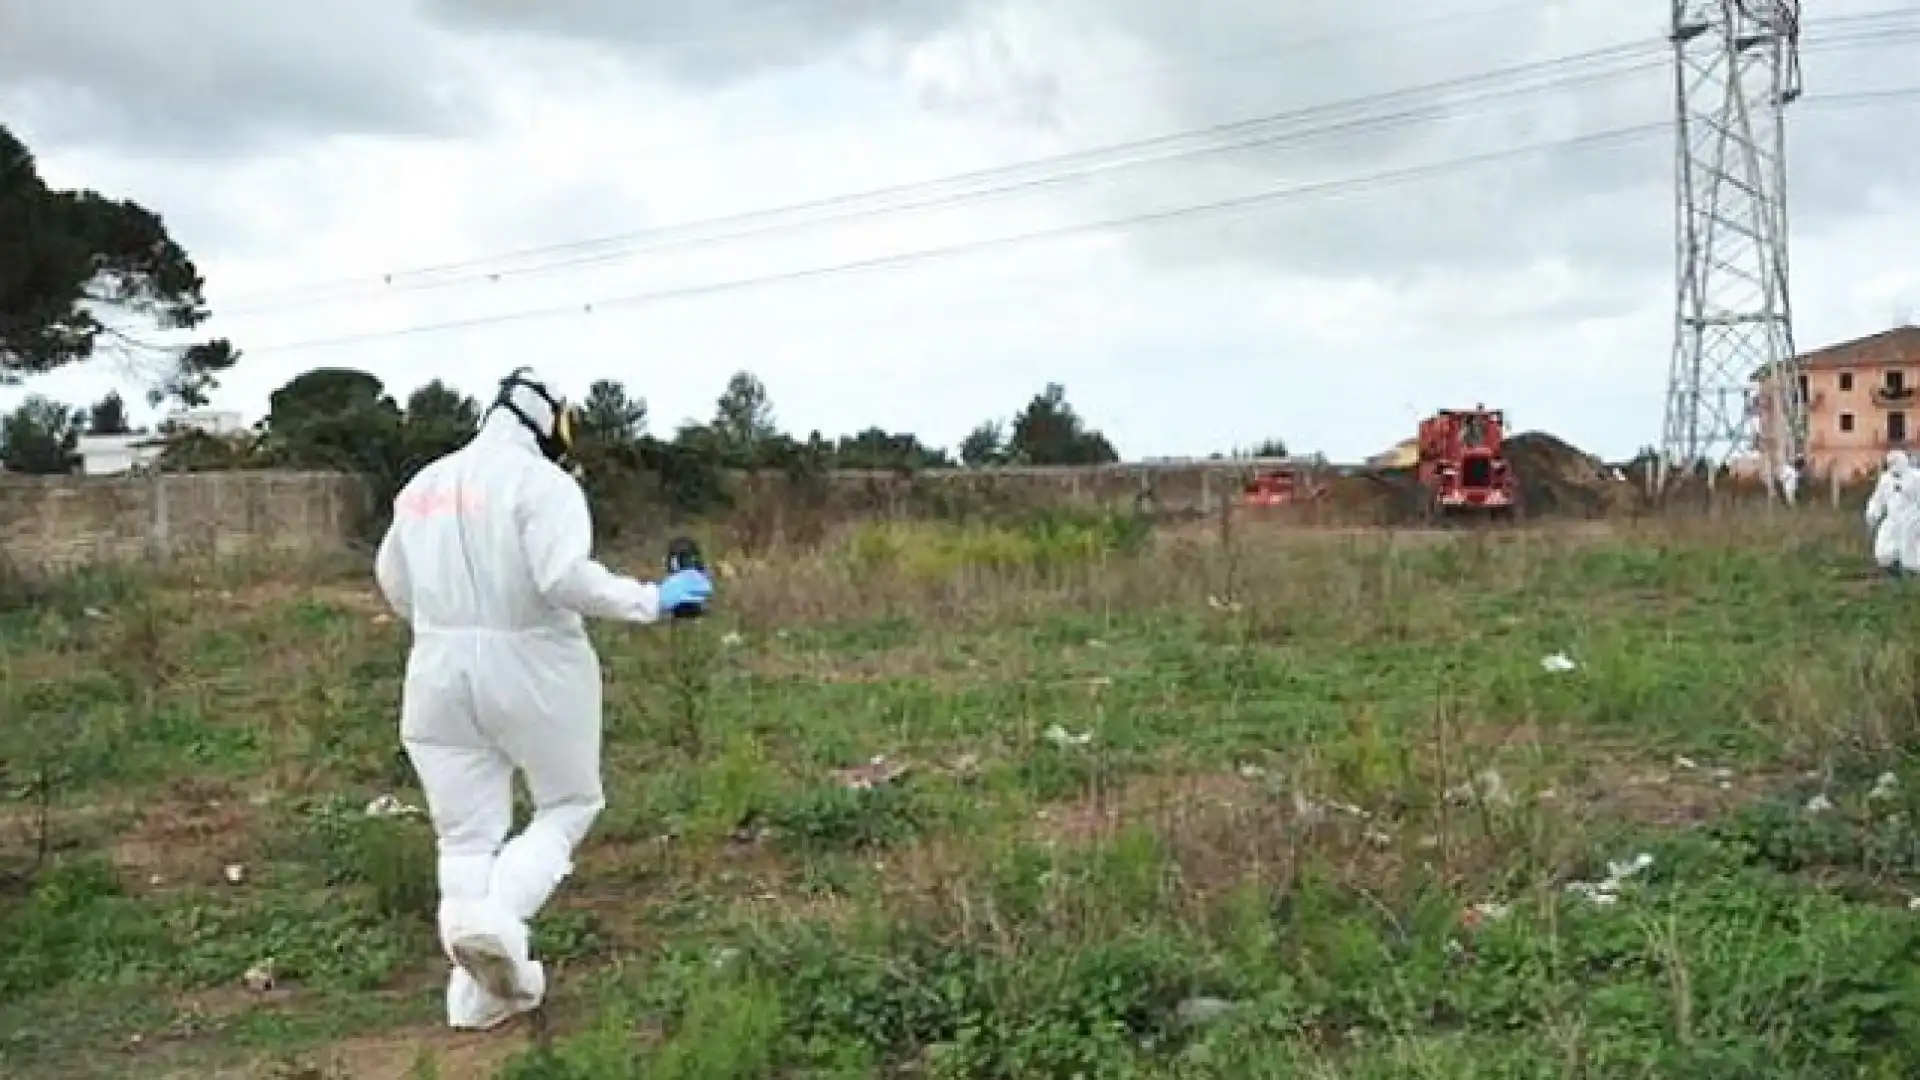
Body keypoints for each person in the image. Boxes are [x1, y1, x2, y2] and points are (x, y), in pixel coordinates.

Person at [373, 367, 714, 1030]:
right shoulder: (543, 484)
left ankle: (479, 999)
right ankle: (496, 923)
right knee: (569, 803)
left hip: (435, 669)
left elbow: (392, 579)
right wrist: (651, 599)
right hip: (534, 660)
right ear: (549, 420)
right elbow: (562, 578)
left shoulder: (421, 487)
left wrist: (447, 628)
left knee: (465, 836)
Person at [1866, 449, 1910, 576]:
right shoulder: (1886, 480)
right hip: (1892, 520)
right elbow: (1878, 498)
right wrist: (1873, 514)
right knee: (1884, 552)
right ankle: (1895, 574)